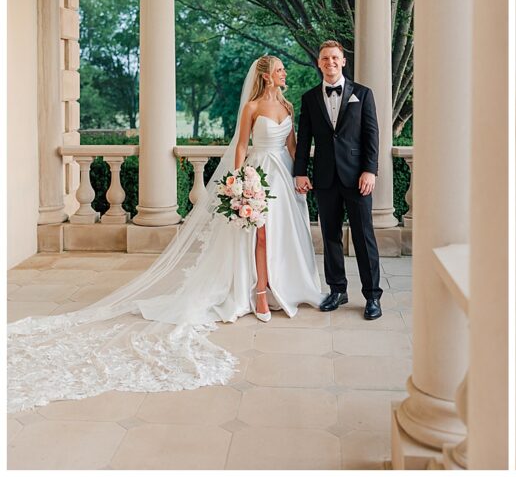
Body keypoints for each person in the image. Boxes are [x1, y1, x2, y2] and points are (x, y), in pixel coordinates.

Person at [8, 56, 325, 413]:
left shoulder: (285, 104)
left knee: (284, 236)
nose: (285, 74)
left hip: (283, 175)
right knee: (259, 236)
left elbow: (294, 146)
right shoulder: (252, 106)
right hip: (258, 174)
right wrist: (238, 181)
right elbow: (239, 145)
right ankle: (260, 292)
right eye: (281, 69)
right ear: (267, 75)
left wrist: (301, 174)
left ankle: (286, 286)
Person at [294, 40, 384, 320]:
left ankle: (372, 297)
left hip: (358, 177)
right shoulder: (309, 98)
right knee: (330, 236)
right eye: (325, 58)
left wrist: (370, 170)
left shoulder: (363, 94)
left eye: (335, 58)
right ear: (319, 63)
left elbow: (372, 135)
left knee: (364, 236)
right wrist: (300, 171)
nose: (330, 62)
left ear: (343, 61)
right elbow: (304, 137)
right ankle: (337, 290)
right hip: (324, 177)